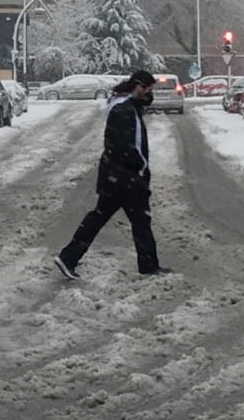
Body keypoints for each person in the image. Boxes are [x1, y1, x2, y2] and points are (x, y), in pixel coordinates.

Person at [54, 70, 172, 279]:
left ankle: (68, 257)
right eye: (149, 90)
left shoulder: (124, 107)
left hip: (114, 176)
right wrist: (141, 170)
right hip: (126, 178)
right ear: (139, 87)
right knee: (140, 221)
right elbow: (129, 145)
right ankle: (149, 266)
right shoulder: (125, 110)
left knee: (99, 217)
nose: (150, 96)